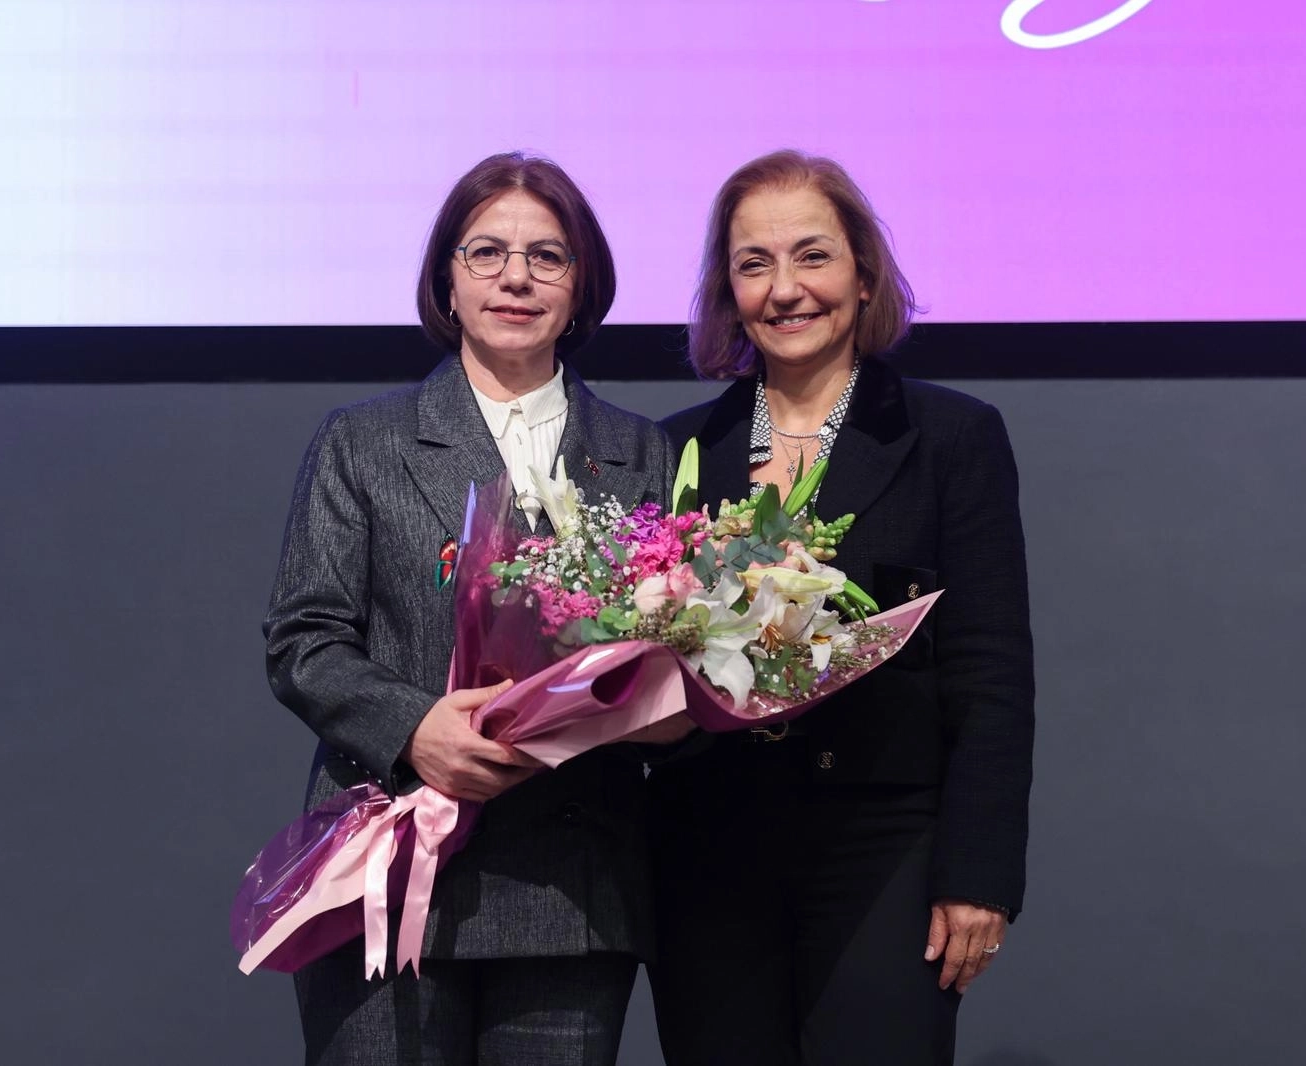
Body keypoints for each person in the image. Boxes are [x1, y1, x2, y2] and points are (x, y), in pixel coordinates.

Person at [263, 151, 676, 1066]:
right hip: (393, 859)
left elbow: (671, 650)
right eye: (486, 252)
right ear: (447, 282)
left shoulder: (642, 451)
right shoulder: (363, 441)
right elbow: (304, 640)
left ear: (582, 285)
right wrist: (416, 728)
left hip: (575, 887)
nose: (515, 278)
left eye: (547, 256)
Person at [647, 150, 1035, 1065]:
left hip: (885, 849)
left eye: (812, 256)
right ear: (728, 292)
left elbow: (990, 672)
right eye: (754, 264)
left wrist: (979, 876)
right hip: (707, 848)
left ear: (864, 275)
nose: (786, 289)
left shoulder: (952, 437)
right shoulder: (673, 451)